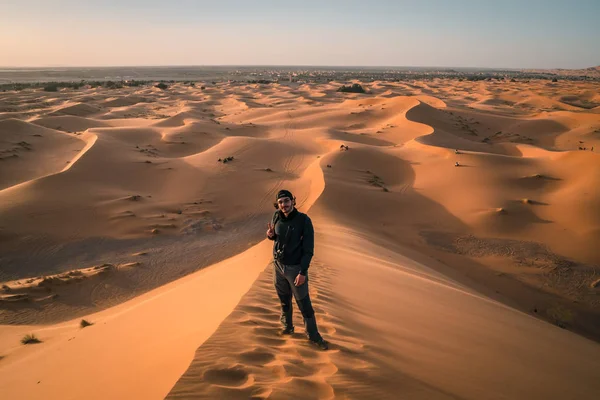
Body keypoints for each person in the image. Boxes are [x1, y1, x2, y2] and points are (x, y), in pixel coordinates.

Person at [266, 189, 328, 350]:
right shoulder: (276, 216)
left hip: (295, 269)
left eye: (286, 201)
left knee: (303, 303)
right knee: (284, 300)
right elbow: (276, 239)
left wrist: (303, 272)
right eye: (280, 202)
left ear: (293, 201)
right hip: (278, 266)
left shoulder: (304, 220)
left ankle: (313, 336)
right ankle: (287, 327)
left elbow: (308, 250)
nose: (283, 205)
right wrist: (271, 235)